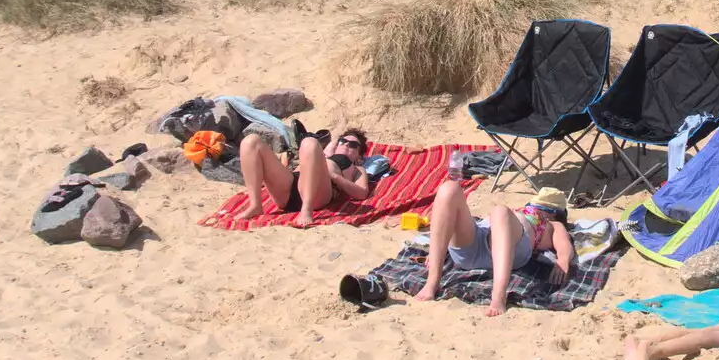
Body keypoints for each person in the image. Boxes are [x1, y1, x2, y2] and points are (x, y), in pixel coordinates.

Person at [414, 185, 574, 316]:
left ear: (555, 215)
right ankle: (432, 282)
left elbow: (564, 242)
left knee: (500, 211)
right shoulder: (518, 213)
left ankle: (498, 296)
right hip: (475, 245)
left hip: (511, 250)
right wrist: (436, 251)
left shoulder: (552, 224)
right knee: (449, 189)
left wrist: (563, 259)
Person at [235, 126, 377, 227]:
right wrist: (332, 146)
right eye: (343, 141)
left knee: (309, 142)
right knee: (251, 141)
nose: (346, 145)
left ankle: (306, 209)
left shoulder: (357, 168)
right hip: (292, 185)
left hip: (318, 192)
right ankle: (255, 205)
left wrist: (335, 176)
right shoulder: (323, 154)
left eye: (353, 145)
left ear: (360, 155)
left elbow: (362, 193)